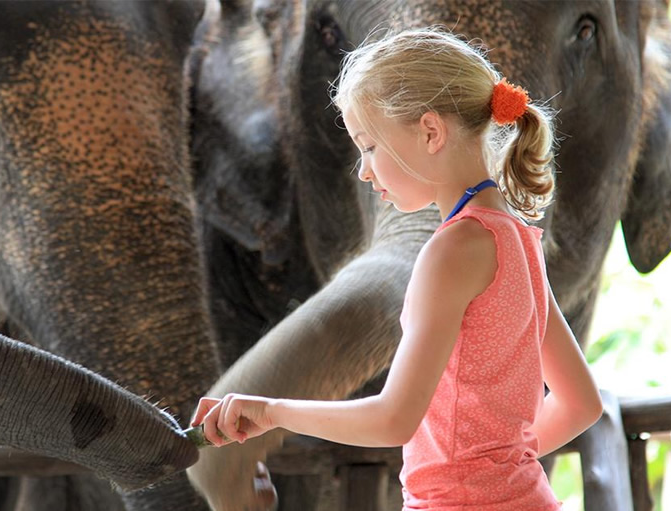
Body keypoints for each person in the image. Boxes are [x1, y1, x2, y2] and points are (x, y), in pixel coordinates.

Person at [191, 28, 603, 510]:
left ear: (430, 131)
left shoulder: (453, 250)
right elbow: (581, 403)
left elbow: (394, 419)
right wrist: (500, 467)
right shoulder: (518, 238)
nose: (364, 170)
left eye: (369, 146)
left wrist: (272, 411)